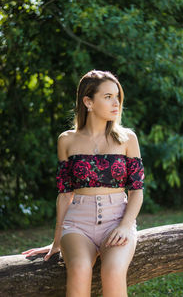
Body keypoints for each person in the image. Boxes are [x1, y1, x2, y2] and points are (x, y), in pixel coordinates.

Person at [22, 69, 145, 297]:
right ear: (88, 101)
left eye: (117, 96)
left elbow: (137, 190)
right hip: (77, 224)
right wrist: (57, 241)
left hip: (116, 219)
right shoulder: (67, 140)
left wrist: (126, 226)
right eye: (107, 97)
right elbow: (65, 193)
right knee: (79, 269)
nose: (116, 103)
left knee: (114, 270)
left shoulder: (127, 139)